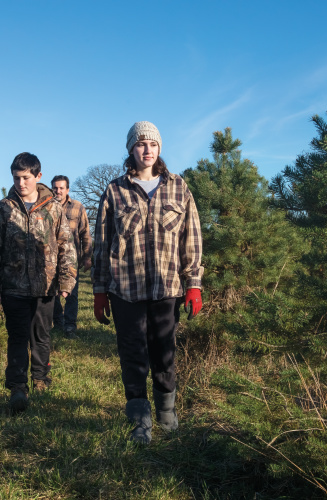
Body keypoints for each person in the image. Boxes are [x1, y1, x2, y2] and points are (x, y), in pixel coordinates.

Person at [91, 121, 203, 444]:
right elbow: (102, 243)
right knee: (133, 355)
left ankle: (167, 416)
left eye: (152, 144)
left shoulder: (179, 188)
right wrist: (100, 291)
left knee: (164, 352)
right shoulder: (114, 192)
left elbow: (191, 240)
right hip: (125, 290)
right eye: (140, 144)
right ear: (131, 150)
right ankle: (140, 420)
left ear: (160, 148)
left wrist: (193, 283)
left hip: (166, 289)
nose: (147, 150)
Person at [0, 152, 77, 413]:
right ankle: (17, 387)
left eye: (25, 177)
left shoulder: (54, 208)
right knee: (17, 337)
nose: (20, 183)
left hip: (45, 287)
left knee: (42, 336)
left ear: (38, 176)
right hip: (12, 286)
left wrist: (66, 281)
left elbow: (66, 246)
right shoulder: (3, 208)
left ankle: (41, 379)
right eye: (16, 178)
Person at [50, 175, 92, 338]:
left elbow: (85, 234)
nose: (58, 191)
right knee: (52, 293)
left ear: (67, 189)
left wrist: (87, 256)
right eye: (55, 187)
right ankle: (58, 323)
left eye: (61, 188)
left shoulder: (77, 207)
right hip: (51, 259)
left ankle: (70, 327)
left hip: (71, 259)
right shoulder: (47, 206)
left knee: (72, 294)